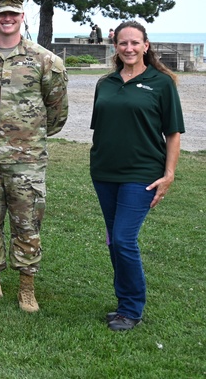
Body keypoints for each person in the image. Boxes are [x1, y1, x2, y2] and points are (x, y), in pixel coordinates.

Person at [0, 0, 69, 312]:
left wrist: (30, 138)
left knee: (27, 225)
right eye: (1, 14)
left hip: (27, 163)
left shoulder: (44, 60)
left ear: (22, 16)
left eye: (13, 14)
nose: (7, 19)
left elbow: (57, 113)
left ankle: (27, 287)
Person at [90, 20, 184, 331]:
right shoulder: (105, 83)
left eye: (135, 43)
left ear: (146, 45)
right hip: (104, 172)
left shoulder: (161, 83)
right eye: (122, 43)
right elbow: (101, 128)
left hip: (141, 173)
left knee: (123, 239)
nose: (129, 48)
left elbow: (172, 133)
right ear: (114, 46)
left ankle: (131, 308)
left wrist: (169, 174)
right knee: (114, 242)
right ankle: (122, 303)